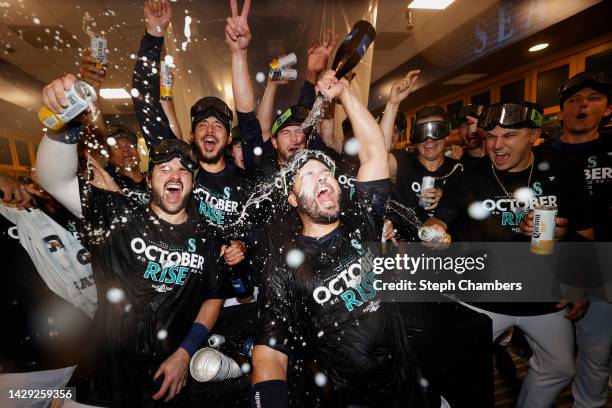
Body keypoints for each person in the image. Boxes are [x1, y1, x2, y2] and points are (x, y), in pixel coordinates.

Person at [250, 69, 443, 408]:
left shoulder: (362, 221)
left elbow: (374, 154)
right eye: (307, 175)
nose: (321, 177)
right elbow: (270, 352)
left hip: (409, 389)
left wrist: (346, 94)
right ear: (292, 199)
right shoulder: (284, 266)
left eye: (325, 172)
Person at [37, 73, 231, 406]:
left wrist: (186, 353)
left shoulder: (208, 236)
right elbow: (53, 179)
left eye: (183, 169)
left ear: (192, 183)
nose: (174, 174)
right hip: (98, 389)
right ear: (151, 179)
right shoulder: (119, 214)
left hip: (164, 388)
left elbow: (214, 297)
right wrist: (62, 123)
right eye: (164, 168)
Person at [425, 101, 594, 407]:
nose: (496, 145)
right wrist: (434, 230)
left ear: (534, 134)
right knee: (452, 369)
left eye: (508, 136)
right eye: (491, 136)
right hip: (482, 297)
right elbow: (442, 216)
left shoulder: (563, 169)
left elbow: (585, 232)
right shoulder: (471, 176)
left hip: (543, 295)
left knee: (561, 367)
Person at [131, 0, 249, 294]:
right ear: (192, 136)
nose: (210, 130)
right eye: (203, 126)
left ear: (228, 138)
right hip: (185, 293)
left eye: (219, 125)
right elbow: (146, 103)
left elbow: (261, 228)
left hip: (236, 296)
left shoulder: (245, 181)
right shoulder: (180, 169)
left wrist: (243, 245)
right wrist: (154, 37)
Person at [541, 70, 612, 408]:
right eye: (573, 100)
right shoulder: (540, 156)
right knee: (554, 356)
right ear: (562, 110)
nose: (583, 106)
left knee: (596, 355)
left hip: (603, 265)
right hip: (550, 265)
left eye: (594, 99)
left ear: (608, 108)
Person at [389, 106, 462, 240]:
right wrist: (393, 103)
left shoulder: (459, 170)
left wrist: (445, 194)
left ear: (447, 135)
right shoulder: (400, 163)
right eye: (422, 132)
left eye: (437, 131)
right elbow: (376, 156)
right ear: (415, 137)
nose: (429, 139)